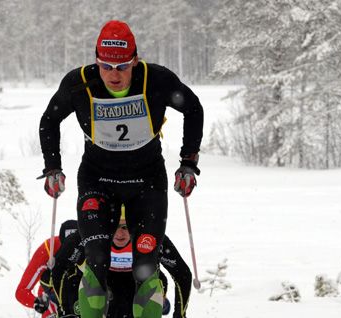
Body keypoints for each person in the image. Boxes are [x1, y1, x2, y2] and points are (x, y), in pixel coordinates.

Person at [38, 20, 203, 318]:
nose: (114, 75)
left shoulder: (157, 80)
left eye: (123, 67)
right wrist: (53, 168)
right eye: (106, 66)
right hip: (98, 180)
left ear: (135, 61)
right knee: (96, 259)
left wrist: (188, 163)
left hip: (146, 182)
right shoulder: (79, 83)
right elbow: (49, 119)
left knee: (145, 266)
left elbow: (193, 108)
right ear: (96, 61)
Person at [40, 207, 192, 318]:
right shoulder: (88, 235)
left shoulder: (150, 238)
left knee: (151, 281)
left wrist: (180, 314)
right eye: (115, 227)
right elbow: (59, 268)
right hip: (102, 285)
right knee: (85, 281)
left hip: (137, 287)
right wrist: (65, 311)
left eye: (126, 227)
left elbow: (183, 274)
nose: (120, 234)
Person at [15, 219, 78, 318]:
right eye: (67, 245)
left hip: (80, 295)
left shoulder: (91, 246)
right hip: (52, 298)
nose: (70, 248)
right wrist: (37, 302)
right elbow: (21, 291)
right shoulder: (48, 249)